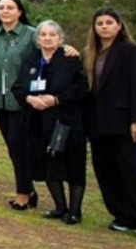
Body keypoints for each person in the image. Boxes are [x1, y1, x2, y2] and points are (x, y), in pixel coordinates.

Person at [0, 0, 78, 209]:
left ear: (19, 11)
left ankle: (23, 192)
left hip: (23, 100)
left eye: (10, 7)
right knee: (13, 147)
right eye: (1, 7)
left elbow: (49, 45)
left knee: (19, 145)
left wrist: (67, 48)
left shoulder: (31, 34)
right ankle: (28, 189)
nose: (4, 11)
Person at [13, 21, 87, 224]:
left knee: (73, 163)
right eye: (43, 34)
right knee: (48, 162)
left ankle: (75, 211)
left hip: (66, 118)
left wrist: (56, 99)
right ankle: (59, 207)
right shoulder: (31, 60)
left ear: (60, 38)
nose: (47, 38)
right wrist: (29, 99)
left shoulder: (70, 59)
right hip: (37, 119)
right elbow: (18, 87)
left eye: (52, 34)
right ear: (37, 39)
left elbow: (82, 87)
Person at [83, 7, 136, 240]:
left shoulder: (131, 51)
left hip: (124, 122)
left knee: (131, 170)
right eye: (99, 23)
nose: (104, 26)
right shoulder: (90, 53)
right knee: (106, 171)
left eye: (109, 22)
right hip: (98, 124)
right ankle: (123, 216)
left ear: (119, 25)